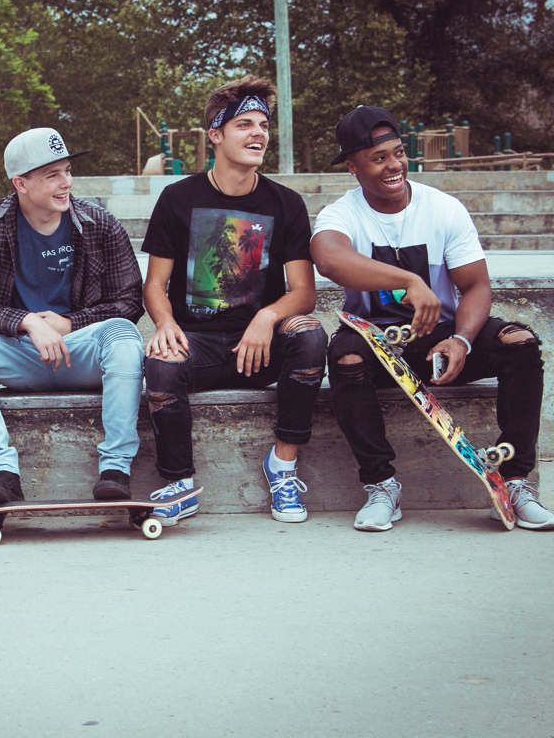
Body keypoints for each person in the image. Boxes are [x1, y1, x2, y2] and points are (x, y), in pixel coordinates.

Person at [311, 105, 548, 531]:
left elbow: (476, 286)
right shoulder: (341, 214)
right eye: (378, 158)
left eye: (398, 153)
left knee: (520, 343)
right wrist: (409, 280)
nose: (394, 165)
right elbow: (328, 259)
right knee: (344, 358)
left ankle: (516, 480)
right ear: (352, 166)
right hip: (375, 344)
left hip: (440, 343)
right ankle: (381, 485)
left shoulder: (443, 209)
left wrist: (463, 340)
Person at [142, 75, 328, 526]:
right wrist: (166, 324)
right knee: (161, 362)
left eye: (263, 124)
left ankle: (282, 467)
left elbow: (304, 291)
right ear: (216, 135)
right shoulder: (177, 198)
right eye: (244, 124)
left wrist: (267, 316)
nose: (258, 133)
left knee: (310, 336)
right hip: (200, 343)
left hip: (260, 346)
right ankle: (180, 484)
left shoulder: (286, 204)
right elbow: (154, 285)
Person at [0, 128, 144, 506]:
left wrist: (71, 323)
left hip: (79, 353)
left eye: (67, 171)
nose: (66, 182)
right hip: (19, 353)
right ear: (21, 183)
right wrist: (27, 321)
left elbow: (130, 300)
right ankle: (2, 472)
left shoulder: (100, 223)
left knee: (123, 334)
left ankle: (116, 470)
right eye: (52, 175)